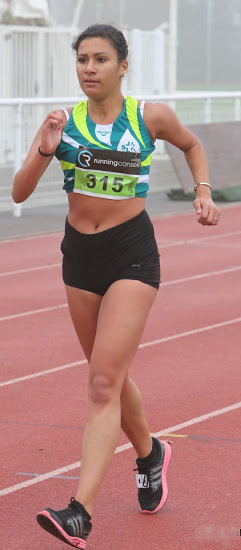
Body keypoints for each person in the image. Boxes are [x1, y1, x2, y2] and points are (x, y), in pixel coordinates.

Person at [12, 23, 221, 549]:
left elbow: (191, 143)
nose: (89, 68)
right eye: (82, 59)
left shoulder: (148, 117)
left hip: (131, 252)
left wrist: (202, 192)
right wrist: (45, 148)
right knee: (109, 375)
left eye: (100, 59)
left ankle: (80, 512)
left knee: (103, 384)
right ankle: (150, 454)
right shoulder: (65, 122)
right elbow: (18, 192)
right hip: (79, 257)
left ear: (122, 66)